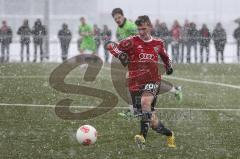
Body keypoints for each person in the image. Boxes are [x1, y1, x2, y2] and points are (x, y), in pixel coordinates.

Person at [106, 15, 176, 148]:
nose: (141, 32)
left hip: (153, 80)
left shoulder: (158, 43)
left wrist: (169, 67)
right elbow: (110, 45)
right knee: (154, 123)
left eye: (144, 29)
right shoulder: (131, 41)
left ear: (150, 26)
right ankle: (169, 134)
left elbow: (166, 58)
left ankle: (142, 137)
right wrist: (120, 54)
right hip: (135, 83)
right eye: (139, 29)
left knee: (145, 102)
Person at [111, 8, 182, 120]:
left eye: (119, 17)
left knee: (137, 80)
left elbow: (141, 38)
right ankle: (174, 90)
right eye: (115, 19)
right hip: (135, 59)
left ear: (123, 16)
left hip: (142, 58)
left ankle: (134, 110)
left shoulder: (131, 26)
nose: (117, 20)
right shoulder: (119, 29)